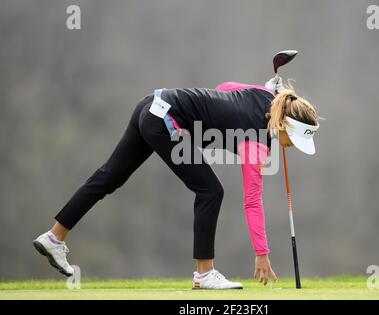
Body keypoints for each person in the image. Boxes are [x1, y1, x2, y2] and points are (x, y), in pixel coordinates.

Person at [33, 76, 319, 289]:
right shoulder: (256, 144)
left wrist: (267, 91)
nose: (291, 147)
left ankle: (54, 237)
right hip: (165, 119)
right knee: (211, 191)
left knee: (109, 176)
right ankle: (205, 273)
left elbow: (225, 88)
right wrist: (262, 253)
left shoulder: (262, 96)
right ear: (283, 124)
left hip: (151, 104)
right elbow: (252, 201)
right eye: (292, 140)